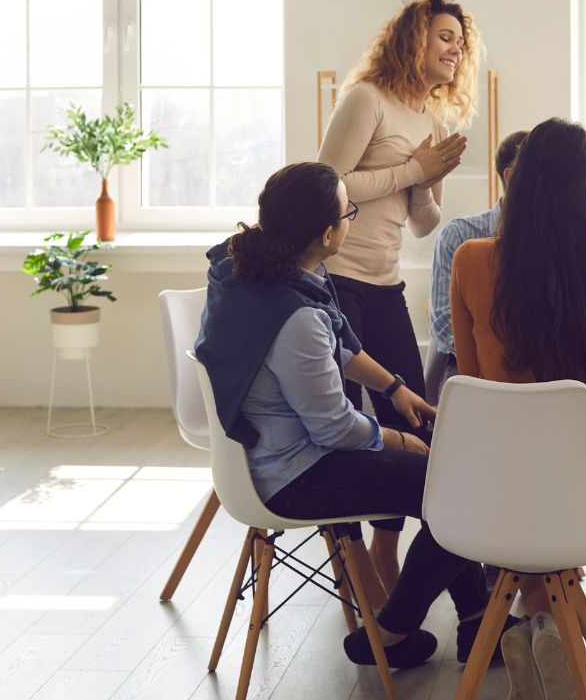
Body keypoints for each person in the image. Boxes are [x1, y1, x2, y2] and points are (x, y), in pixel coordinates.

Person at [193, 162, 509, 669]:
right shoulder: (296, 316)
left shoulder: (246, 273)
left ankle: (475, 626)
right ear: (327, 231)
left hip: (265, 452)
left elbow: (335, 344)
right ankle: (393, 630)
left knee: (450, 481)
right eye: (349, 212)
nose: (352, 220)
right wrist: (400, 440)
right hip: (295, 474)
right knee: (459, 489)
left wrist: (395, 387)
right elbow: (334, 426)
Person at [449, 118, 586, 700]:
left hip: (492, 496)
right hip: (585, 492)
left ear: (518, 179)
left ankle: (537, 625)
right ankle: (551, 626)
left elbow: (471, 386)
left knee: (521, 480)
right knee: (557, 486)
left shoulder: (471, 260)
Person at [317, 0, 479, 591]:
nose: (455, 48)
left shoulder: (425, 116)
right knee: (340, 426)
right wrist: (414, 171)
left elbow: (422, 223)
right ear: (413, 40)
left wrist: (429, 180)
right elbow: (325, 184)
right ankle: (354, 561)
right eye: (443, 36)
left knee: (413, 422)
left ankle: (387, 550)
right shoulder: (367, 100)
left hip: (384, 284)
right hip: (335, 283)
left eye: (460, 40)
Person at [426, 128, 529, 392]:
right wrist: (496, 361)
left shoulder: (556, 238)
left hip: (533, 366)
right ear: (511, 176)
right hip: (467, 366)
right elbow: (443, 322)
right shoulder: (458, 235)